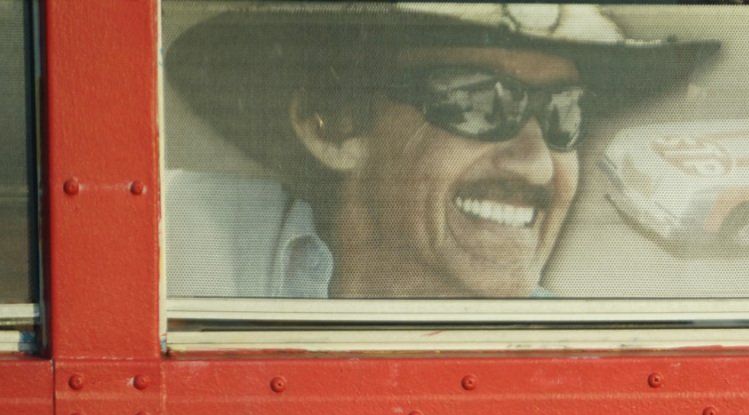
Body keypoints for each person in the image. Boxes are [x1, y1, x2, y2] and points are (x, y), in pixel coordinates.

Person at [164, 3, 714, 299]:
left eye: (564, 114)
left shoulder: (573, 348)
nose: (537, 163)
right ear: (332, 127)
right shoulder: (174, 254)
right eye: (479, 102)